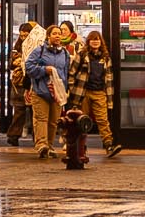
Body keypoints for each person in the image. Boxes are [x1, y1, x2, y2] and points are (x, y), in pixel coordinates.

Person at [69, 29, 122, 159]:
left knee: (103, 120)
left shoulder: (105, 57)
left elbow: (109, 79)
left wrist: (109, 99)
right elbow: (72, 73)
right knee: (82, 121)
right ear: (88, 41)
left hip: (99, 93)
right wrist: (71, 89)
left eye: (97, 39)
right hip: (84, 92)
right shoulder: (82, 55)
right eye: (92, 39)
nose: (95, 42)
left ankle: (108, 145)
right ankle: (80, 147)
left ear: (101, 41)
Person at [25, 25, 70, 159]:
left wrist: (65, 89)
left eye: (59, 34)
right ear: (48, 36)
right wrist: (44, 70)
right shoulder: (39, 51)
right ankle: (42, 145)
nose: (57, 36)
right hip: (41, 91)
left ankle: (49, 146)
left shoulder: (65, 54)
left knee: (53, 121)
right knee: (41, 119)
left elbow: (66, 72)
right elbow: (29, 67)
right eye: (54, 33)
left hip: (57, 92)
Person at [5, 21, 36, 144]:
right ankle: (13, 135)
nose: (23, 38)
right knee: (19, 111)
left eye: (26, 35)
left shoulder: (36, 46)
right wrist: (15, 62)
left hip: (32, 82)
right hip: (19, 84)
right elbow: (11, 64)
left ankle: (37, 137)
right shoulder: (17, 46)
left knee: (35, 112)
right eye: (21, 35)